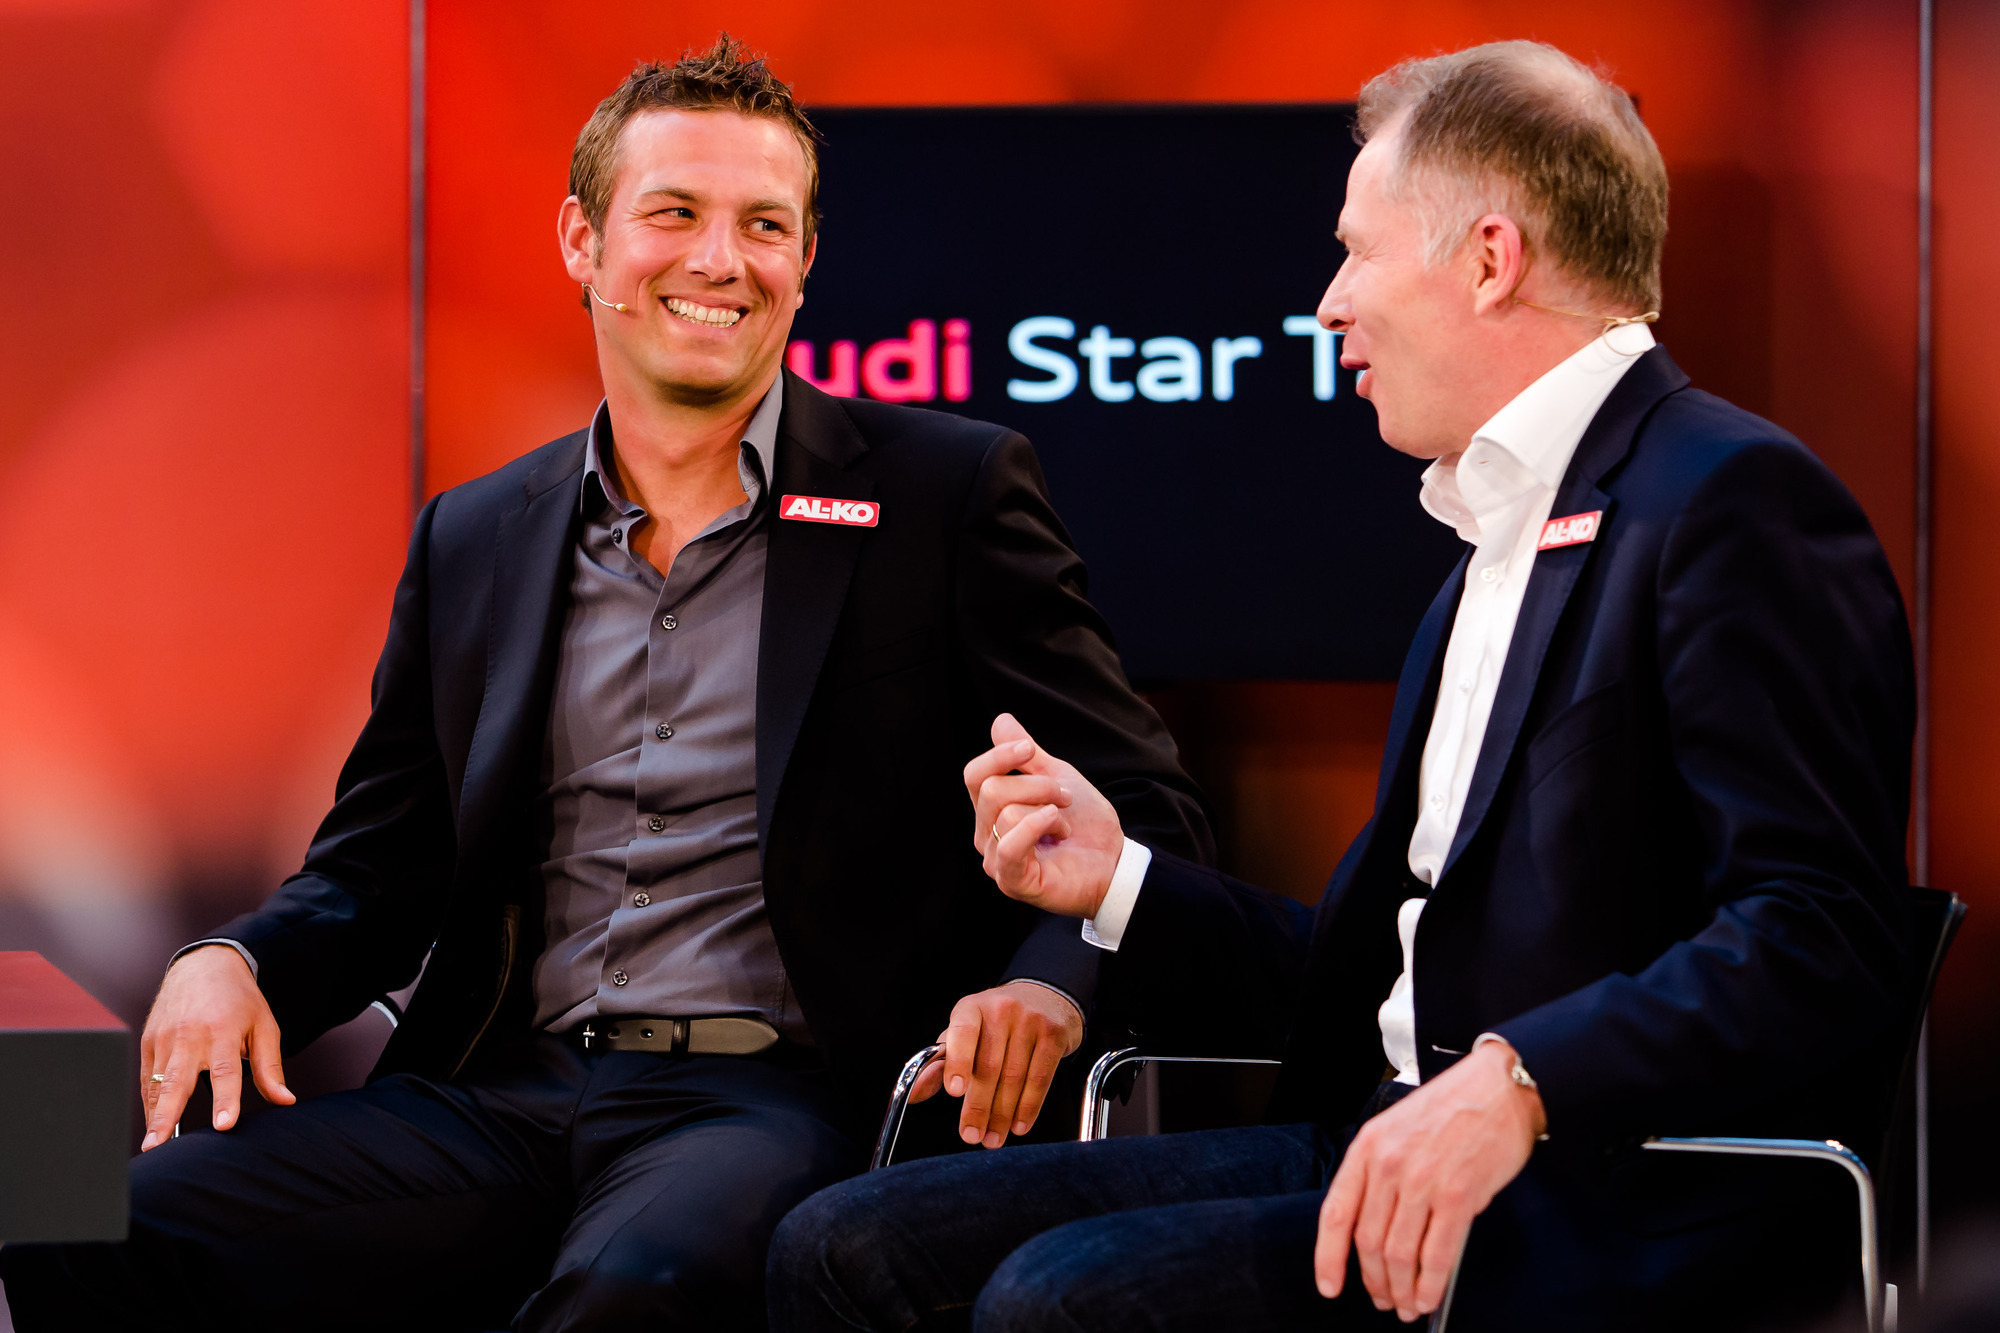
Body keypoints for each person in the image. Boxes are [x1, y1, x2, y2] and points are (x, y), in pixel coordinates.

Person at [0, 37, 1212, 1333]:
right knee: (65, 1202)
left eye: (763, 224)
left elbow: (1138, 801)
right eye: (674, 213)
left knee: (634, 1293)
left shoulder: (944, 492)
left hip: (775, 1097)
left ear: (805, 262)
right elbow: (375, 873)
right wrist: (228, 957)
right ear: (583, 241)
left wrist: (1046, 980)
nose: (717, 259)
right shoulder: (477, 533)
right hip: (495, 1090)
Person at [767, 40, 1915, 1333]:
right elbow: (1384, 978)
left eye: (1360, 252)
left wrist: (1524, 1081)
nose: (1328, 305)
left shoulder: (1730, 503)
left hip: (1605, 1185)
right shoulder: (1486, 551)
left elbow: (1823, 936)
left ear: (1491, 259)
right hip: (1373, 1137)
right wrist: (1120, 877)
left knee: (1055, 1303)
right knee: (840, 1246)